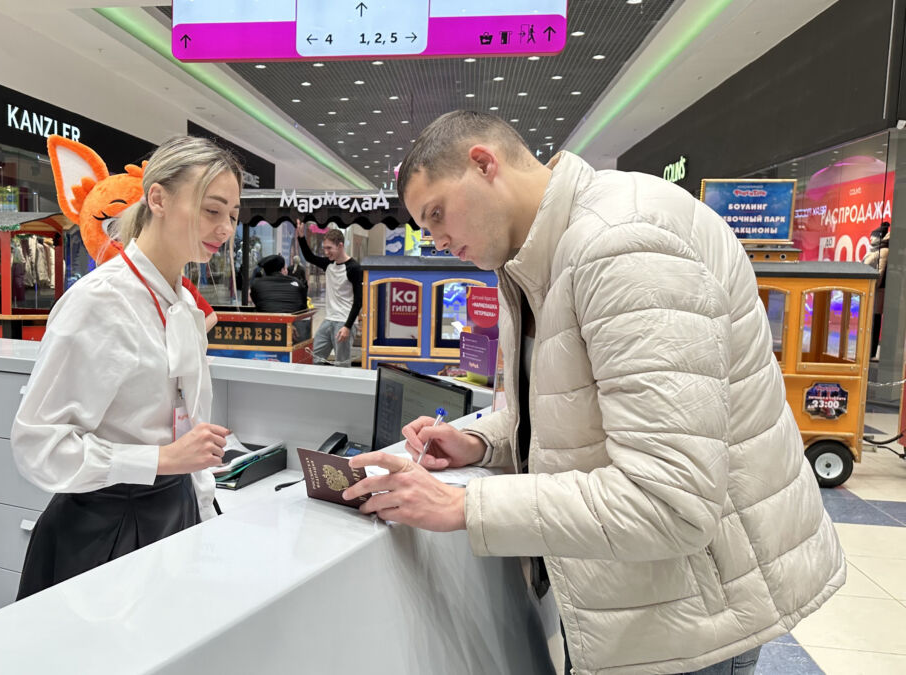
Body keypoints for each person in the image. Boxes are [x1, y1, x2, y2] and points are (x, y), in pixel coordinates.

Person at [341, 111, 845, 675]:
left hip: (691, 620)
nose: (436, 241)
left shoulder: (624, 245)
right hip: (640, 602)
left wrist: (462, 506)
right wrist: (482, 442)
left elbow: (669, 500)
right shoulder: (537, 257)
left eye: (437, 214)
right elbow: (580, 410)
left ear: (484, 164)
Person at [12, 136, 242, 599]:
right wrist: (160, 460)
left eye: (234, 216)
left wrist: (203, 511)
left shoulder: (183, 302)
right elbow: (38, 444)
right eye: (211, 210)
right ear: (157, 198)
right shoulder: (98, 302)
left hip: (173, 512)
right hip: (104, 530)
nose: (224, 229)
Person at [296, 222, 362, 366]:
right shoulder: (328, 264)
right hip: (329, 319)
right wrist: (301, 237)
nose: (326, 252)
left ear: (340, 246)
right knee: (315, 358)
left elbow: (359, 301)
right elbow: (309, 257)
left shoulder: (354, 268)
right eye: (324, 248)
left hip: (344, 321)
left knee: (342, 364)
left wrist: (348, 326)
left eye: (329, 248)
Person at [863, 222, 889, 359]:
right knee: (870, 320)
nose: (871, 238)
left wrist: (872, 288)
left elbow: (880, 272)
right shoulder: (874, 249)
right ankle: (867, 350)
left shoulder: (883, 251)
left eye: (873, 236)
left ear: (879, 237)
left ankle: (871, 351)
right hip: (871, 290)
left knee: (875, 320)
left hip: (877, 292)